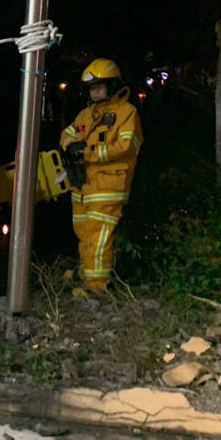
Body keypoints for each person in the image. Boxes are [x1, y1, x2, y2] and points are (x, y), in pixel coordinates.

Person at [59, 58, 143, 293]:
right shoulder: (87, 115)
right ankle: (87, 274)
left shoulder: (128, 113)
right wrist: (70, 145)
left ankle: (97, 287)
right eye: (91, 89)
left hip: (108, 185)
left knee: (98, 235)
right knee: (85, 234)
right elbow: (67, 133)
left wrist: (89, 152)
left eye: (99, 87)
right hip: (83, 186)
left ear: (112, 86)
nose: (94, 93)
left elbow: (126, 147)